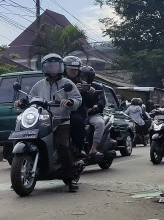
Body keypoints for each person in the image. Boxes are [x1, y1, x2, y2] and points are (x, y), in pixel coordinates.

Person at [15, 53, 82, 191]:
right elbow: (31, 98)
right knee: (23, 137)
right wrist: (22, 102)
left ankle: (70, 178)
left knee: (61, 144)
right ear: (44, 68)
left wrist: (69, 101)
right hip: (43, 119)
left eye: (56, 66)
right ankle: (18, 176)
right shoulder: (39, 85)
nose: (53, 69)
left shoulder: (67, 84)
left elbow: (77, 99)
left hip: (61, 121)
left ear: (61, 67)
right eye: (49, 66)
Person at [63, 55, 87, 159]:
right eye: (71, 70)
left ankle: (79, 147)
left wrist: (86, 91)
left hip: (76, 110)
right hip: (57, 110)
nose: (73, 72)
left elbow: (85, 101)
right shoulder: (58, 82)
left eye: (76, 70)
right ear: (64, 69)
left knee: (76, 120)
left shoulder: (82, 84)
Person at [79, 66, 106, 158]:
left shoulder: (97, 87)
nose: (81, 79)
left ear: (89, 77)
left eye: (84, 77)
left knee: (100, 123)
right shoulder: (76, 86)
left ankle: (94, 148)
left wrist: (96, 106)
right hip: (79, 114)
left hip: (93, 114)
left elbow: (102, 100)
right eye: (80, 76)